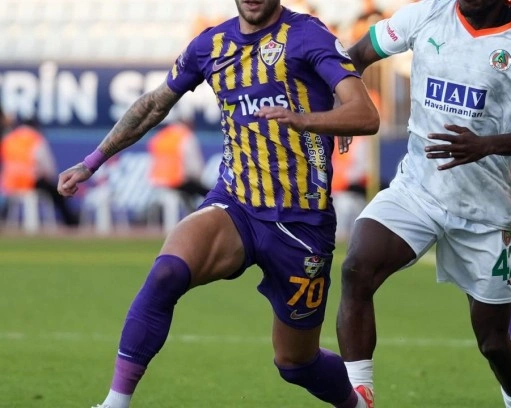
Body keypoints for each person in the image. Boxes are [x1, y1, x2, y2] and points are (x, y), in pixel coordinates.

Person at [57, 1, 379, 407]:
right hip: (237, 205)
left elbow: (365, 115)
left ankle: (357, 404)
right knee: (166, 273)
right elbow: (154, 104)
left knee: (296, 362)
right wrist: (91, 162)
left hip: (303, 225)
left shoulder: (308, 35)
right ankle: (114, 403)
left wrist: (306, 120)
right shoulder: (211, 45)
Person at [335, 1, 511, 407]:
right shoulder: (429, 14)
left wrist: (486, 145)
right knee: (357, 267)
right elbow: (355, 55)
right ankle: (359, 395)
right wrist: (346, 105)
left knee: (493, 341)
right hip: (417, 189)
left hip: (486, 212)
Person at [1, 117, 79, 227]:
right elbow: (48, 166)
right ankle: (70, 221)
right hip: (30, 181)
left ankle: (5, 219)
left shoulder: (9, 139)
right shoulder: (35, 138)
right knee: (58, 191)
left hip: (11, 184)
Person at [147, 120, 210, 211]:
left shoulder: (160, 136)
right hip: (176, 180)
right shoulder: (185, 136)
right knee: (207, 193)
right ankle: (196, 213)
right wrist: (198, 178)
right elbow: (194, 165)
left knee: (190, 190)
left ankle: (191, 211)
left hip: (157, 180)